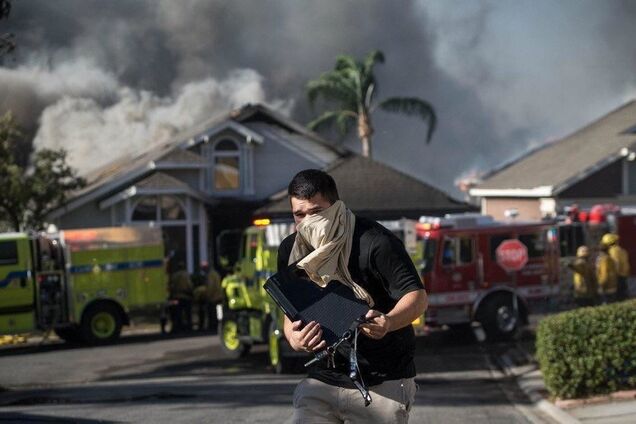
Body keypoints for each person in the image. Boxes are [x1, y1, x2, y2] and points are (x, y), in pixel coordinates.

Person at [277, 169, 428, 424]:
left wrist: (388, 322)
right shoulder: (291, 250)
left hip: (381, 382)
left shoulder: (375, 242)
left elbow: (418, 297)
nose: (308, 222)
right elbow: (290, 311)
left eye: (316, 212)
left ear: (336, 207)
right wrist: (294, 338)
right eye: (299, 215)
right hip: (322, 380)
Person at [193, 261, 224, 332]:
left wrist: (208, 297)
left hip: (213, 298)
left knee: (212, 313)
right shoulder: (215, 273)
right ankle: (220, 325)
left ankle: (213, 327)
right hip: (219, 297)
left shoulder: (210, 275)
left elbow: (210, 287)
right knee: (219, 313)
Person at [602, 233, 631, 301]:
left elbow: (616, 264)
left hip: (618, 275)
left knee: (618, 295)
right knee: (623, 293)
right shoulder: (620, 249)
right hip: (623, 274)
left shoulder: (613, 251)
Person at [168, 260, 193, 332]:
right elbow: (189, 285)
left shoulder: (174, 275)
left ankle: (177, 326)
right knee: (187, 313)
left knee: (178, 313)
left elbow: (171, 286)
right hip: (185, 297)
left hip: (176, 297)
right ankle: (188, 327)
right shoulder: (186, 275)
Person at [596, 240, 618, 304]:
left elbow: (604, 273)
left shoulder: (603, 259)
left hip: (606, 286)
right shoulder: (610, 258)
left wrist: (601, 285)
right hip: (612, 285)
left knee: (606, 303)